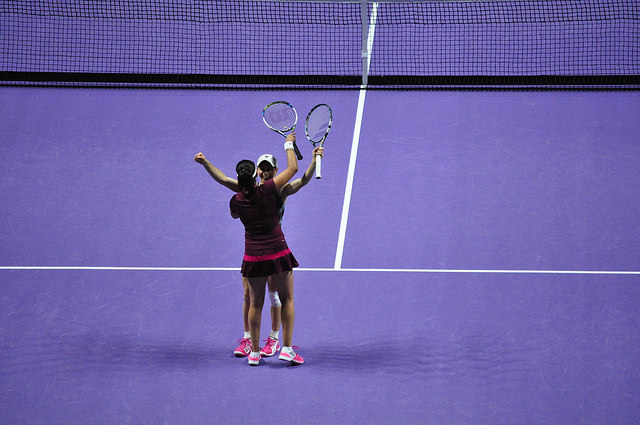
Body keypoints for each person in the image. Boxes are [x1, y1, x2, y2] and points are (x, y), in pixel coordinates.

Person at [195, 134, 321, 365]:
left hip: (254, 253)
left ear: (273, 170)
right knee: (272, 298)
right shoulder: (268, 191)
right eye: (261, 169)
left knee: (263, 300)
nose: (264, 172)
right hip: (274, 250)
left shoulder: (246, 195)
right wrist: (290, 144)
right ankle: (276, 345)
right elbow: (295, 171)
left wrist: (313, 163)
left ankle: (265, 343)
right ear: (256, 173)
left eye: (268, 168)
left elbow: (301, 180)